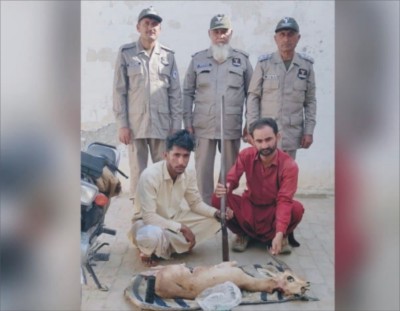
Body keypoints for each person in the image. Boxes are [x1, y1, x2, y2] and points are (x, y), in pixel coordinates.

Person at [128, 130, 233, 266]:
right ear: (165, 155)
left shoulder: (188, 172)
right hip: (147, 223)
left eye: (185, 156)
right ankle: (150, 247)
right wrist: (182, 228)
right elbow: (149, 217)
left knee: (216, 220)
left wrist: (216, 212)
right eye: (176, 155)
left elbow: (195, 203)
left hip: (174, 218)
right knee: (151, 236)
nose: (181, 162)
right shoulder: (150, 176)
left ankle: (167, 247)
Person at [113, 7, 182, 201]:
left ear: (159, 29)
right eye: (146, 23)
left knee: (164, 173)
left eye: (155, 24)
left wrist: (176, 128)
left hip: (162, 126)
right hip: (136, 126)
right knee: (138, 174)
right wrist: (122, 124)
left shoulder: (168, 56)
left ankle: (164, 218)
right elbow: (119, 91)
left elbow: (175, 94)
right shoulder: (126, 53)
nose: (150, 27)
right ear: (138, 27)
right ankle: (139, 219)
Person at [183, 14, 253, 204]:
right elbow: (187, 92)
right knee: (202, 171)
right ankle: (205, 209)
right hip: (203, 125)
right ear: (210, 33)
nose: (220, 35)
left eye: (224, 31)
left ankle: (225, 206)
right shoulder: (198, 60)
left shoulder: (242, 60)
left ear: (231, 33)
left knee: (230, 171)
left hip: (231, 125)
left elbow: (252, 94)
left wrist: (250, 123)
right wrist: (187, 122)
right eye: (217, 31)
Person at [212, 118, 304, 255]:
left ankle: (280, 236)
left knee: (296, 209)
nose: (265, 145)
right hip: (250, 207)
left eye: (268, 140)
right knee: (217, 198)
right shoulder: (246, 155)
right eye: (259, 141)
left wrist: (279, 232)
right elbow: (232, 179)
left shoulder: (289, 165)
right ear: (252, 140)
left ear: (278, 137)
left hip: (273, 210)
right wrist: (227, 186)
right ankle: (242, 234)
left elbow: (284, 200)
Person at [246, 17, 316, 160]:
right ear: (275, 38)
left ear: (298, 38)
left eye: (290, 34)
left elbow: (310, 101)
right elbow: (253, 97)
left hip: (291, 133)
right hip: (266, 135)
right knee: (265, 176)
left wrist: (309, 131)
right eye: (282, 35)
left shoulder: (306, 66)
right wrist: (252, 129)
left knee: (287, 176)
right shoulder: (264, 64)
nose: (286, 39)